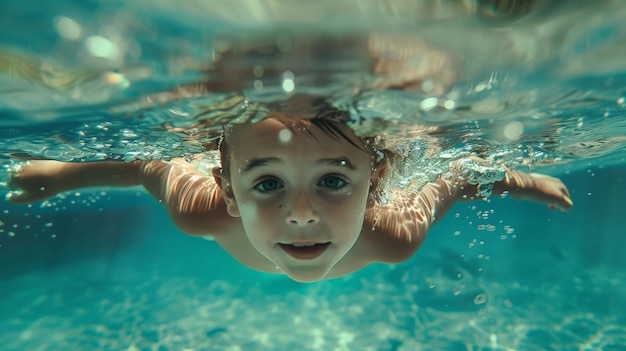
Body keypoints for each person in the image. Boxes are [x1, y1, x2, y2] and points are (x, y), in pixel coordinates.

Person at [6, 106, 573, 283]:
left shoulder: (391, 235)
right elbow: (146, 165)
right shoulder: (198, 208)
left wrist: (517, 180)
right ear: (229, 193)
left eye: (333, 180)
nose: (301, 214)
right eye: (268, 183)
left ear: (373, 185)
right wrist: (61, 174)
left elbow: (449, 180)